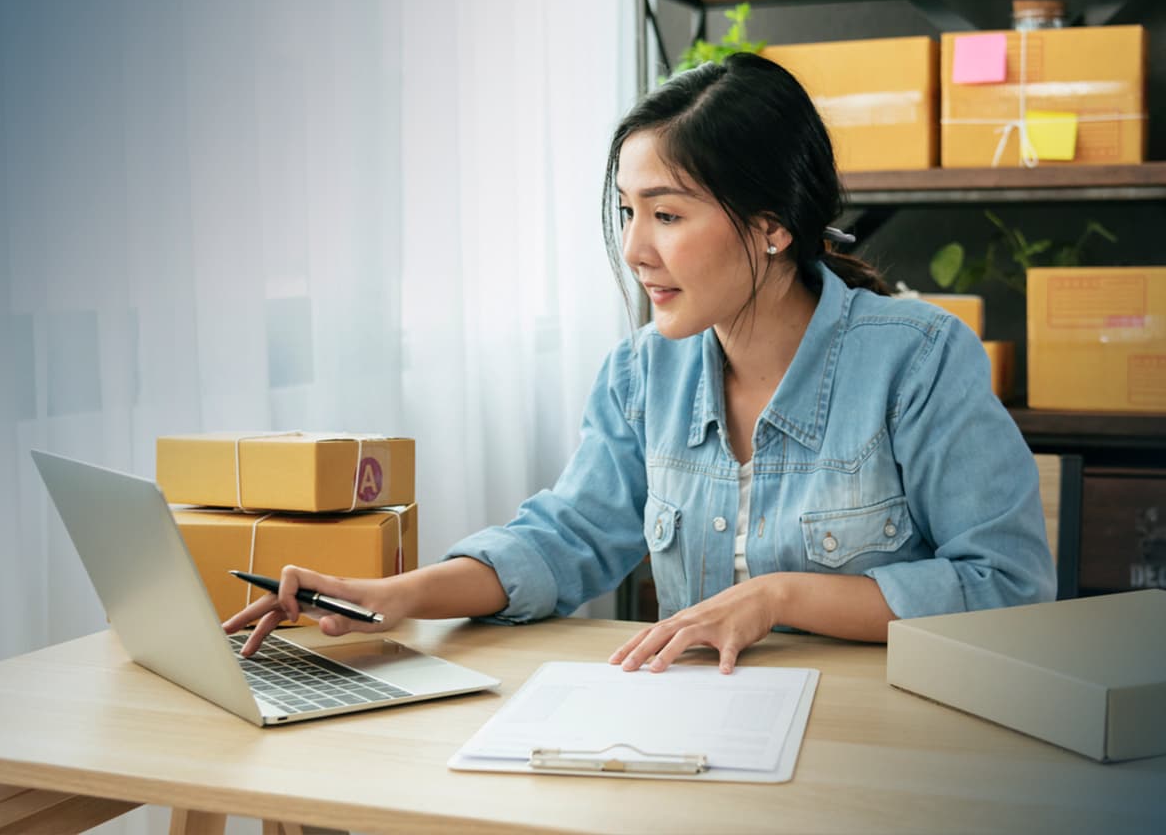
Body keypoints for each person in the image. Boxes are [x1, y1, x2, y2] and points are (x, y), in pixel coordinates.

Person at [225, 53, 1056, 673]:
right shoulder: (641, 375)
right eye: (628, 211)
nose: (632, 249)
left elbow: (1009, 587)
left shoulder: (917, 359)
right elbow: (564, 539)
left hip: (883, 753)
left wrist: (779, 597)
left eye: (666, 213)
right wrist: (393, 596)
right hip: (703, 734)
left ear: (772, 226)